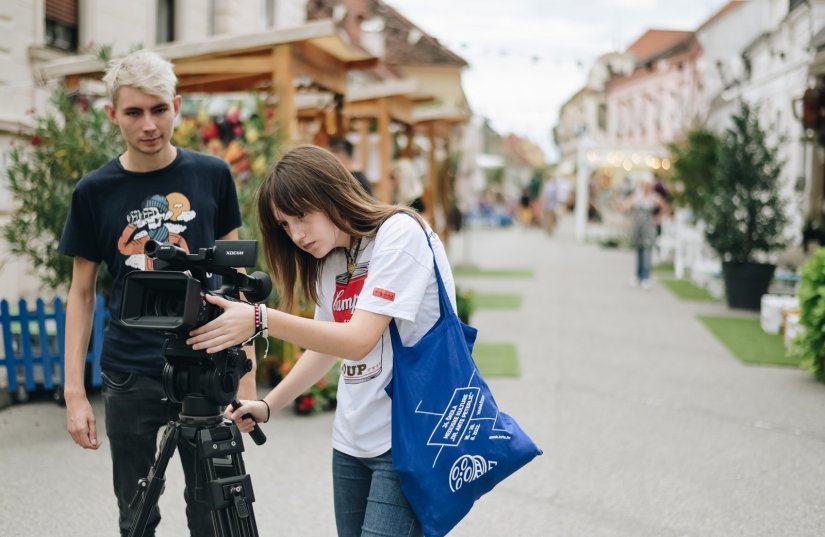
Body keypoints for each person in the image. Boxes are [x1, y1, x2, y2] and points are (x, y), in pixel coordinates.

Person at [185, 144, 458, 537]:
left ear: (331, 192)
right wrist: (267, 404)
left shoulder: (400, 234)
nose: (295, 234)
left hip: (409, 438)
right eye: (284, 225)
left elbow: (359, 339)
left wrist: (261, 319)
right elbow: (327, 345)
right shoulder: (331, 258)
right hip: (351, 442)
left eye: (301, 216)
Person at [58, 49, 257, 537]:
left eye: (159, 109)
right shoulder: (94, 191)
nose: (149, 124)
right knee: (136, 514)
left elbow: (238, 284)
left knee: (211, 514)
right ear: (112, 115)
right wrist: (74, 394)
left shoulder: (212, 175)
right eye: (133, 112)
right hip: (130, 373)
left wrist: (248, 382)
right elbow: (81, 294)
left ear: (178, 106)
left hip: (204, 367)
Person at [618, 175, 669, 289]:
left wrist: (658, 219)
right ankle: (638, 275)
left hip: (649, 228)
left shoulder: (655, 198)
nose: (645, 187)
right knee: (639, 251)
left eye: (647, 185)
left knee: (647, 251)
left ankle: (646, 277)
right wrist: (620, 204)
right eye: (643, 185)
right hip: (638, 228)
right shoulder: (636, 197)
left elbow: (665, 209)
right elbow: (625, 207)